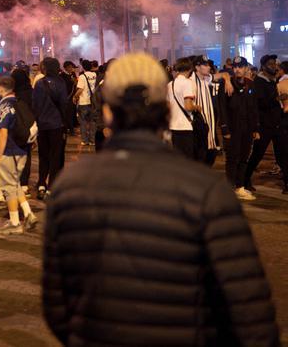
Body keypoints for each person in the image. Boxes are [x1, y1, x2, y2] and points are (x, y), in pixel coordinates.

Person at [42, 52, 279, 345]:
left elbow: (57, 305)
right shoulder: (204, 188)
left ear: (107, 114)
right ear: (166, 113)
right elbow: (248, 309)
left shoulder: (71, 188)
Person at [0, 76, 37, 235]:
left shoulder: (4, 106)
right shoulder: (20, 103)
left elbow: (3, 132)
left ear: (0, 88)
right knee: (15, 183)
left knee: (9, 188)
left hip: (9, 150)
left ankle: (14, 222)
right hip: (22, 149)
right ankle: (28, 213)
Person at [244, 54, 286, 193]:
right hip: (264, 125)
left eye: (275, 63)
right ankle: (244, 180)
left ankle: (287, 185)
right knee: (257, 154)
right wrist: (278, 98)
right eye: (270, 64)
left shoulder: (273, 81)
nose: (274, 66)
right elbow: (260, 103)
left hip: (277, 124)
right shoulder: (259, 82)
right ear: (263, 66)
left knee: (283, 154)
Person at [31, 57, 69, 200]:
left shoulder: (39, 83)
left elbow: (35, 105)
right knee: (55, 155)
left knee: (43, 155)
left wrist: (37, 120)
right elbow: (64, 104)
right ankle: (52, 187)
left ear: (45, 68)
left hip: (43, 124)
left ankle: (41, 183)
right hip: (57, 124)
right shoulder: (61, 83)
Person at [226, 57, 261, 201]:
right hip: (233, 128)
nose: (237, 69)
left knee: (244, 158)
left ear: (246, 68)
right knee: (232, 159)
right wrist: (224, 128)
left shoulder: (250, 84)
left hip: (247, 128)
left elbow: (253, 109)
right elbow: (223, 108)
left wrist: (255, 129)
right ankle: (229, 188)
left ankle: (240, 187)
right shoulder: (228, 84)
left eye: (240, 66)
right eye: (235, 67)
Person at [166, 57, 197, 160]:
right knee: (187, 160)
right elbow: (188, 106)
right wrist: (197, 107)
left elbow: (168, 106)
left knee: (176, 160)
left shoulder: (170, 84)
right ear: (189, 69)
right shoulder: (187, 83)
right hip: (185, 126)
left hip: (173, 127)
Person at [73, 60, 98, 146]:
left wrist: (75, 96)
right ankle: (93, 140)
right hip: (93, 102)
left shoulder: (82, 76)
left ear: (83, 67)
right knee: (92, 122)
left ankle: (85, 140)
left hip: (83, 102)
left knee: (83, 122)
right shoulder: (95, 75)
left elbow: (80, 89)